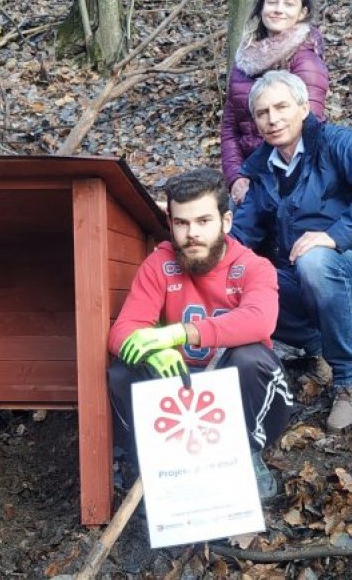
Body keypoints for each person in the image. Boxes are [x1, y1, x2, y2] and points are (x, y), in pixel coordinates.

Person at [230, 70, 352, 433]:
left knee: (315, 260)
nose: (273, 118)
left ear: (302, 107)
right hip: (306, 285)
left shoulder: (334, 143)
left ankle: (351, 379)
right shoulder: (262, 171)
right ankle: (317, 349)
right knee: (243, 280)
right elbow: (240, 237)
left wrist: (335, 236)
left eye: (281, 107)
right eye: (263, 112)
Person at [107, 168, 294, 500]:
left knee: (253, 359)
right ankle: (155, 463)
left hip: (236, 390)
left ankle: (248, 455)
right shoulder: (159, 265)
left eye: (203, 221)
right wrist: (154, 350)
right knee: (122, 369)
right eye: (181, 223)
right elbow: (123, 330)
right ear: (171, 224)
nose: (192, 233)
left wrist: (178, 334)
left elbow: (260, 320)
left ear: (225, 222)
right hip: (178, 387)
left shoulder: (252, 266)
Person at [221, 0, 329, 207]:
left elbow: (306, 131)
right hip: (246, 177)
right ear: (261, 7)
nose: (278, 9)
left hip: (287, 180)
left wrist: (255, 176)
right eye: (272, 2)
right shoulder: (244, 61)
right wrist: (236, 178)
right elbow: (230, 128)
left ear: (302, 13)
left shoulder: (305, 61)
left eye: (289, 3)